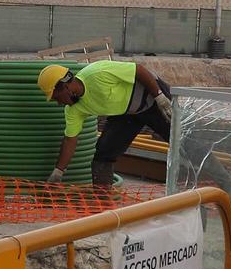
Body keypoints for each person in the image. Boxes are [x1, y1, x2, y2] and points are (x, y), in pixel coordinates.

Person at [38, 59, 175, 187]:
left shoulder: (97, 73)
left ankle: (193, 190)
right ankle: (103, 203)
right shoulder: (73, 110)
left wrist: (159, 96)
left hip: (153, 97)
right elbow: (70, 140)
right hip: (126, 113)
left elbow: (138, 70)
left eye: (56, 97)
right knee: (103, 155)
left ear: (64, 87)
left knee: (181, 141)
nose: (58, 103)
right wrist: (58, 171)